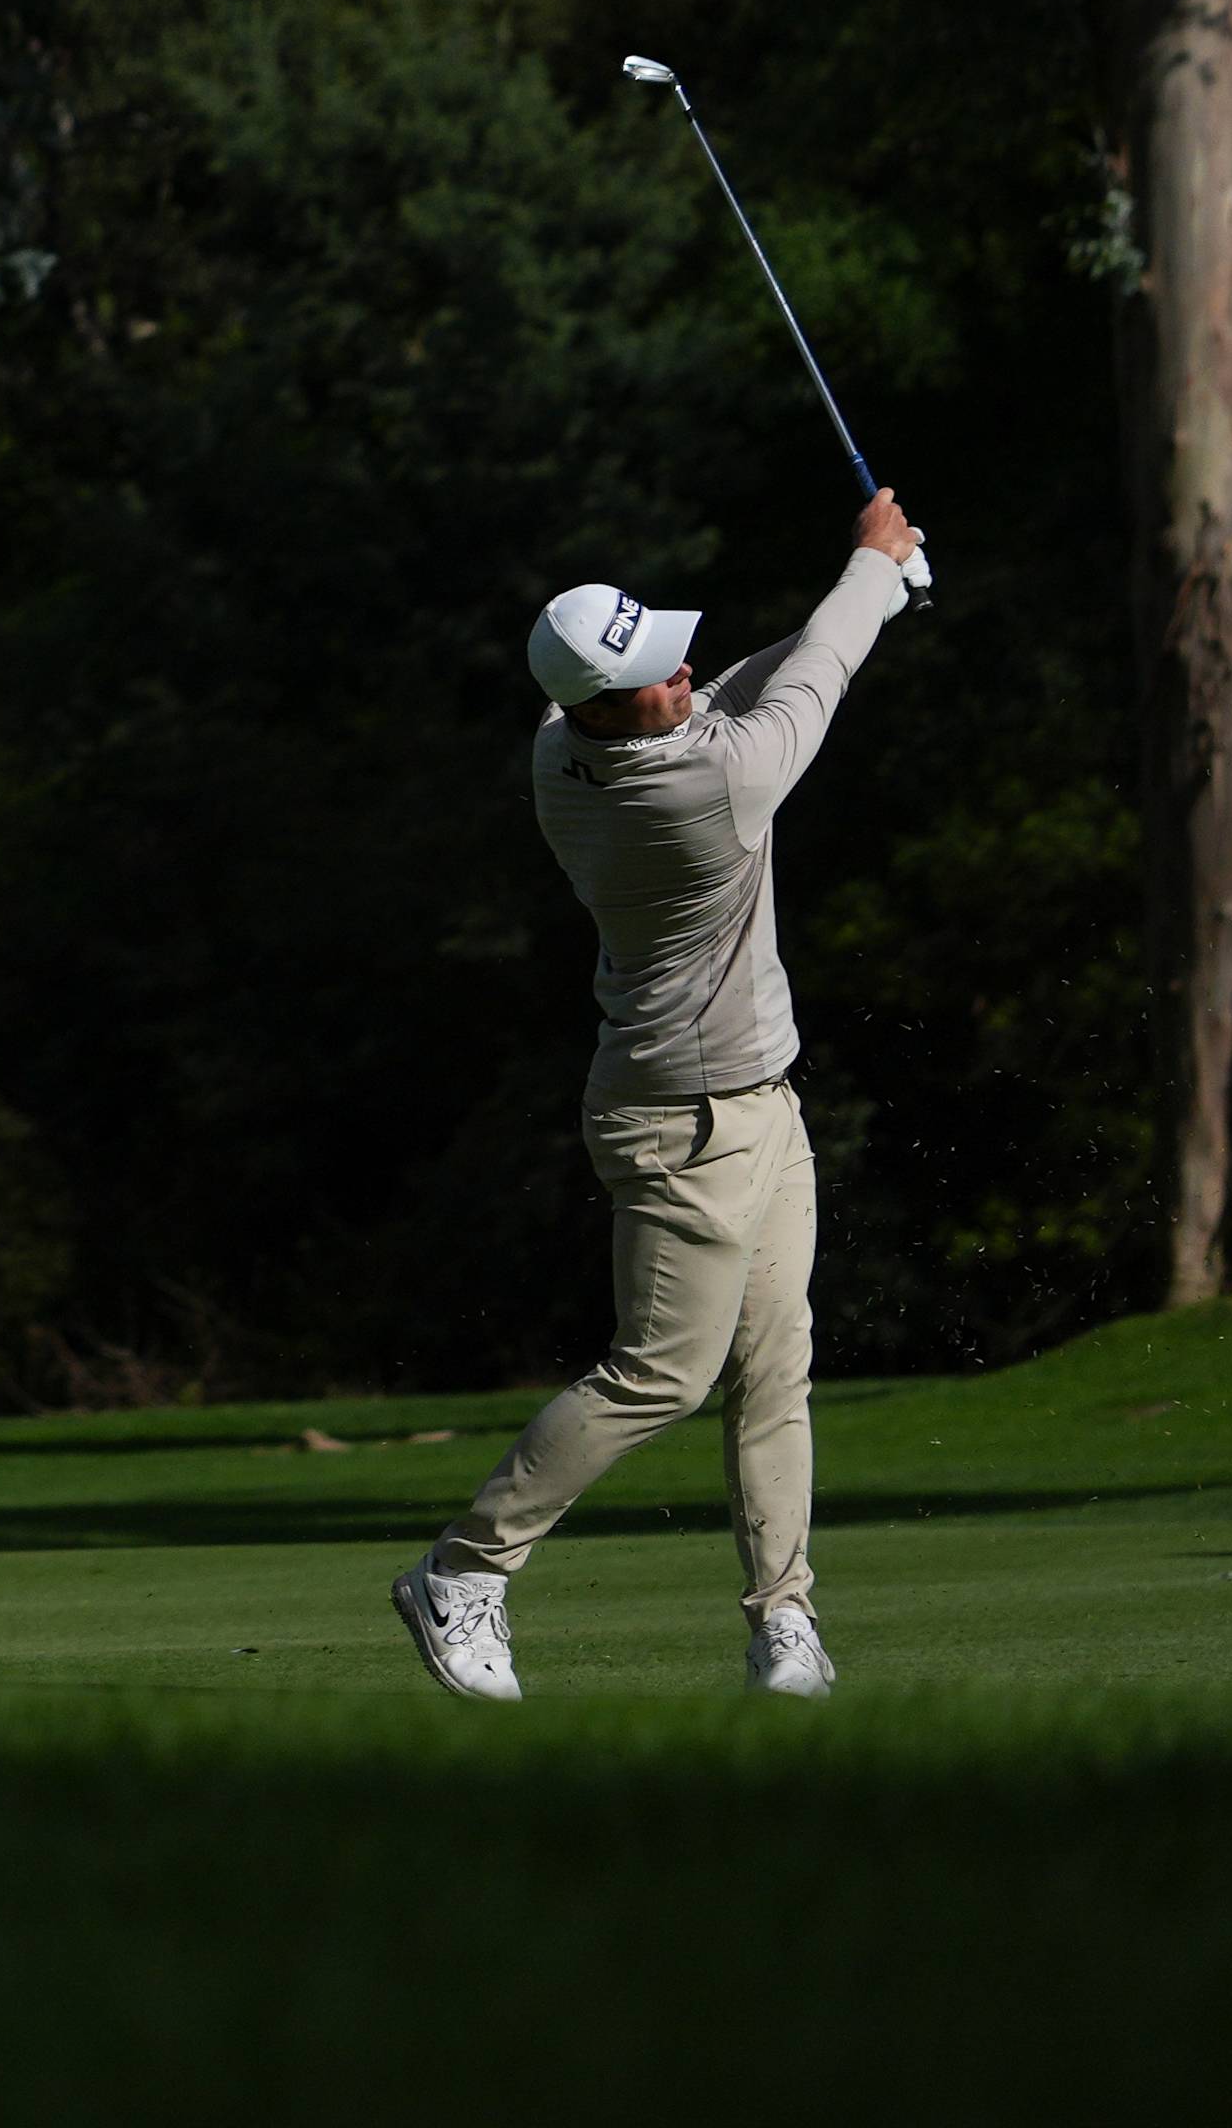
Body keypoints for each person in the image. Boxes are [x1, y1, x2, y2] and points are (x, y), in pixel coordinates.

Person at [391, 489, 920, 1705]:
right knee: (662, 1375)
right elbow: (808, 686)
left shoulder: (565, 743)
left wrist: (876, 580)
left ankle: (784, 1620)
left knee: (775, 1367)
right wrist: (872, 575)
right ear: (607, 709)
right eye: (654, 675)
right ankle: (463, 1571)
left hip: (762, 1105)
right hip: (679, 1122)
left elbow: (731, 680)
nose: (682, 672)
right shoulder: (704, 795)